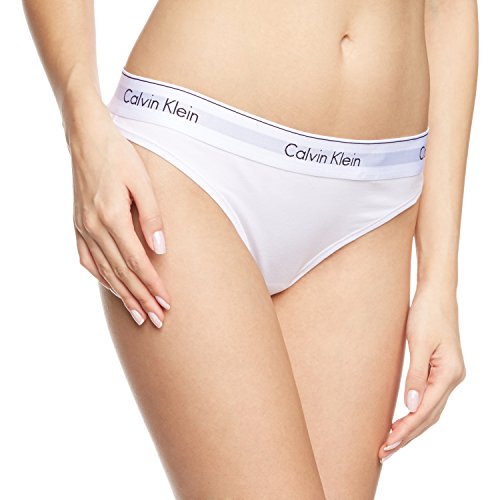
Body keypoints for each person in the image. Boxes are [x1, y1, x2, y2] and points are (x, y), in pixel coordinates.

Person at [22, 0, 478, 497]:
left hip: (375, 203)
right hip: (197, 154)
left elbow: (448, 9)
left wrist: (440, 281)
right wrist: (82, 121)